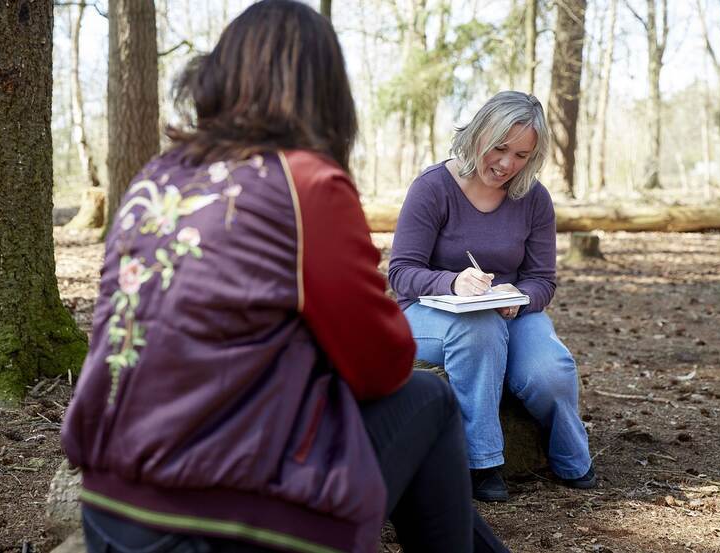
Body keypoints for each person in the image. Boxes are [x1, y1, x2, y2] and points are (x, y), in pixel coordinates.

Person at [61, 2, 509, 552]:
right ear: (324, 91)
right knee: (430, 401)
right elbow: (382, 365)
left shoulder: (158, 175)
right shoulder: (305, 183)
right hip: (217, 525)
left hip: (110, 509)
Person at [388, 91, 595, 503]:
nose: (506, 164)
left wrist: (518, 297)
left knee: (550, 371)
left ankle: (571, 459)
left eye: (521, 155)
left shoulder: (534, 199)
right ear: (478, 133)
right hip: (430, 314)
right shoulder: (432, 188)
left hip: (511, 312)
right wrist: (451, 282)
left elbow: (542, 280)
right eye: (499, 148)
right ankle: (481, 463)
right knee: (478, 331)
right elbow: (401, 273)